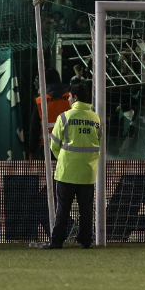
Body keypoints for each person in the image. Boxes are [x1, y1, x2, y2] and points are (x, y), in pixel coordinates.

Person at [42, 80, 101, 249]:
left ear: (75, 98)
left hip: (67, 171)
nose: (67, 100)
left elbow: (54, 145)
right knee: (86, 210)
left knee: (63, 209)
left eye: (69, 97)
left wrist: (64, 159)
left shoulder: (64, 117)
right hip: (87, 172)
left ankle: (57, 242)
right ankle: (85, 240)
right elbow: (99, 142)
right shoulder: (96, 119)